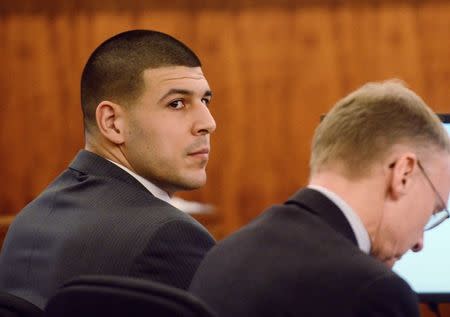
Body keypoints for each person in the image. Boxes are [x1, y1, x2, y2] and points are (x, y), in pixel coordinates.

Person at [189, 80, 450, 317]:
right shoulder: (373, 291)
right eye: (434, 210)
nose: (419, 243)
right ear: (403, 174)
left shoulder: (222, 255)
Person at [0, 29, 216, 309]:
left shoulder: (30, 219)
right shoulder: (170, 236)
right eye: (176, 104)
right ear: (113, 123)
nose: (208, 122)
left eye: (205, 101)